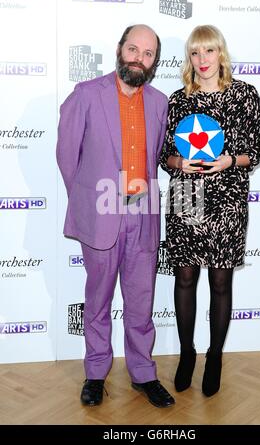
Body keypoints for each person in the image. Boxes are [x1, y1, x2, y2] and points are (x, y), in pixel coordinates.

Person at [57, 24, 175, 408]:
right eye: (133, 49)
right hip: (102, 214)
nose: (139, 58)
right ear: (119, 49)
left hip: (144, 214)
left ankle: (143, 373)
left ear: (154, 62)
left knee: (141, 301)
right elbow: (67, 157)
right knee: (98, 299)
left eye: (148, 54)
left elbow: (158, 156)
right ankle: (95, 373)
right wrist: (92, 200)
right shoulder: (86, 95)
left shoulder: (159, 103)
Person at [160, 25, 260, 397]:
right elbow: (163, 155)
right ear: (189, 59)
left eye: (208, 52)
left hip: (229, 197)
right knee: (185, 277)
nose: (202, 60)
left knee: (221, 282)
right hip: (186, 195)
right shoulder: (178, 100)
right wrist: (178, 161)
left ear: (220, 53)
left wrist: (230, 161)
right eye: (195, 53)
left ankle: (216, 356)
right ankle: (187, 353)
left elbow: (258, 149)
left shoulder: (245, 95)